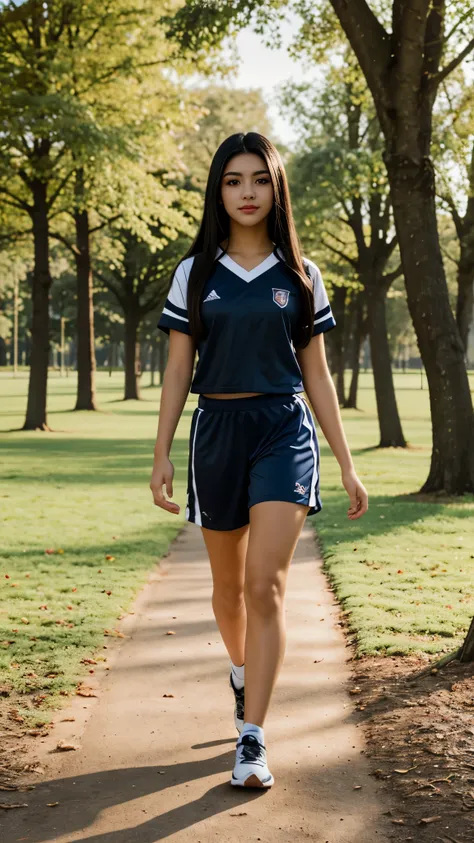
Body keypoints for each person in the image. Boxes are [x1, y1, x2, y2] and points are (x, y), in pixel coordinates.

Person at [150, 131, 368, 789]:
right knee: (227, 590)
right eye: (233, 180)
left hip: (283, 429)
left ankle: (252, 736)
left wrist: (349, 463)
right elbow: (178, 367)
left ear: (277, 189)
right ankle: (243, 671)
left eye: (259, 180)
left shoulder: (303, 274)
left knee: (264, 583)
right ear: (218, 191)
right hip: (217, 428)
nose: (248, 192)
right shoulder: (196, 273)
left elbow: (320, 376)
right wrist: (160, 453)